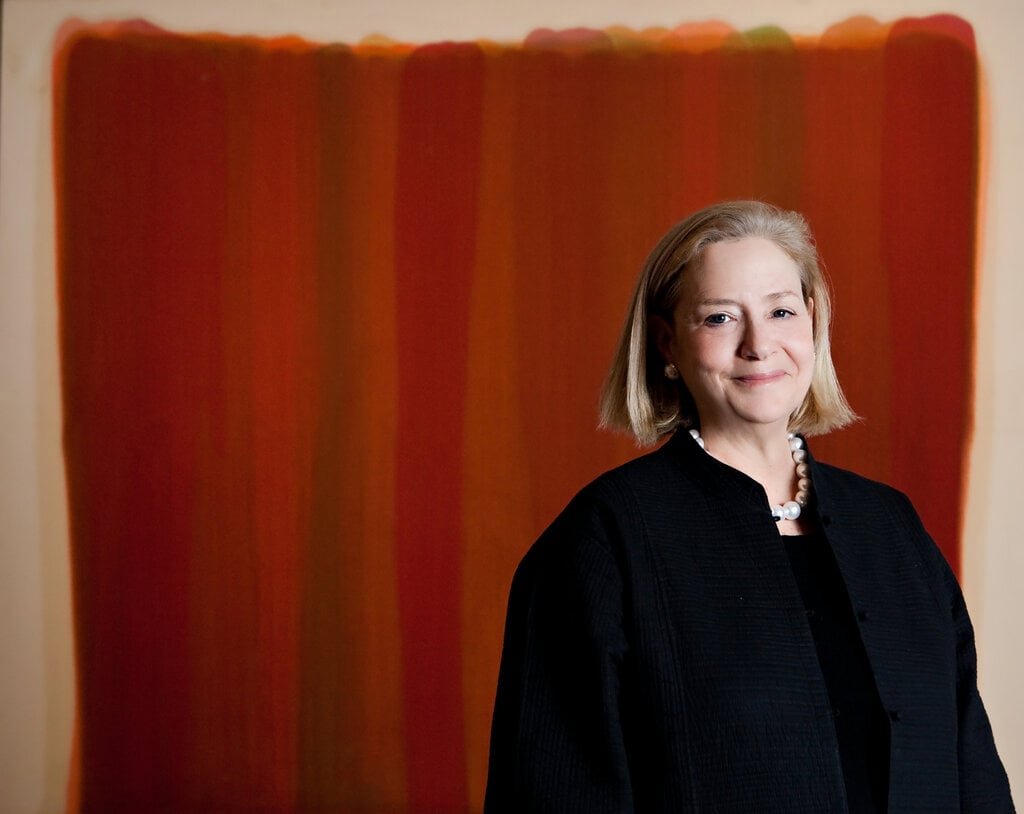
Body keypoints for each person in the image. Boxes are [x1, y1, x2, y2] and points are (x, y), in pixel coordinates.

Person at [483, 201, 1014, 813]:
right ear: (667, 344)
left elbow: (972, 772)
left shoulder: (891, 528)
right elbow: (553, 794)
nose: (759, 345)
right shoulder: (606, 539)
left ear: (812, 323)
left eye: (781, 311)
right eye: (719, 318)